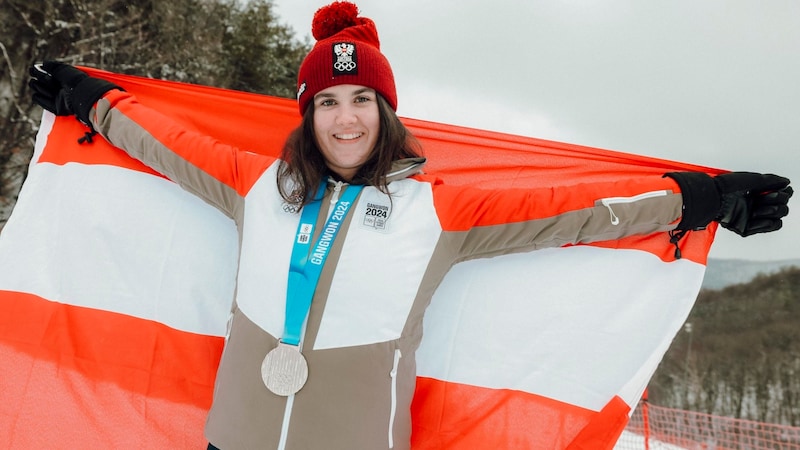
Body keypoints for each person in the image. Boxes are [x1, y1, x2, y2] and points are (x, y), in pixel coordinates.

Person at [28, 2, 791, 449]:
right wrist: (89, 98)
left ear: (384, 111)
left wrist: (701, 200)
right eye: (328, 101)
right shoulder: (257, 184)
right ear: (308, 112)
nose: (345, 116)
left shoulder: (439, 209)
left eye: (361, 99)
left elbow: (578, 210)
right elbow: (161, 141)